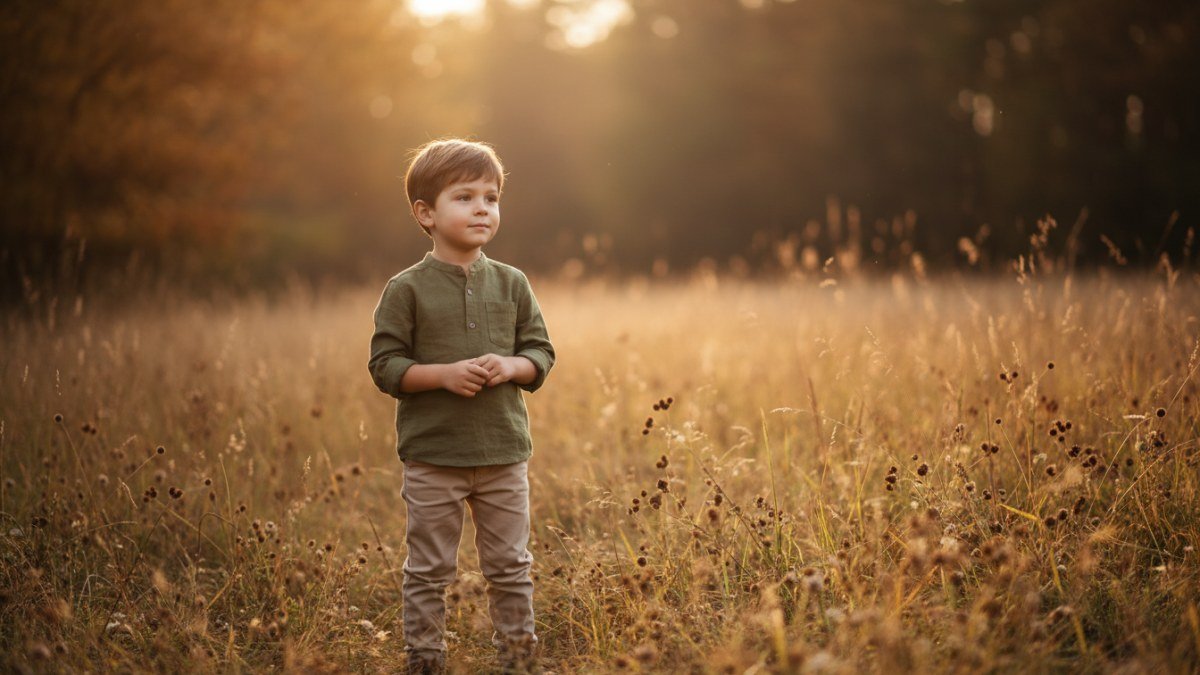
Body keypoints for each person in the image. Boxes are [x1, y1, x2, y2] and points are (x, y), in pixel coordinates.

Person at [368, 139, 555, 674]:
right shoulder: (406, 289)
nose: (482, 208)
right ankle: (425, 659)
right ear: (425, 213)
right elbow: (385, 366)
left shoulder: (512, 282)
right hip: (433, 457)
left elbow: (541, 352)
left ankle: (519, 658)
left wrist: (512, 366)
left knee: (511, 566)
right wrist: (443, 376)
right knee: (429, 568)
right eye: (464, 196)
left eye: (491, 197)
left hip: (503, 452)